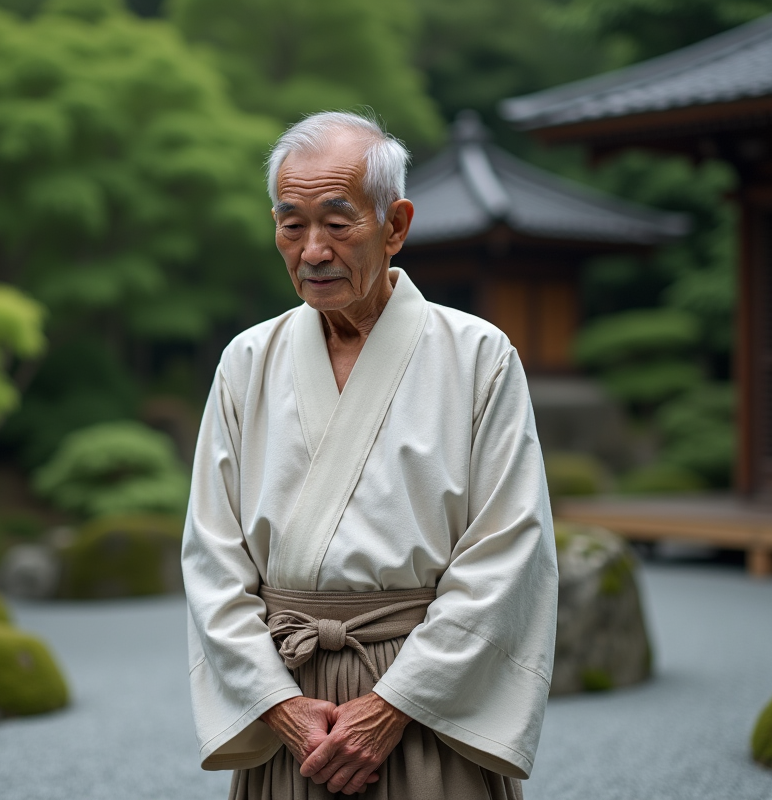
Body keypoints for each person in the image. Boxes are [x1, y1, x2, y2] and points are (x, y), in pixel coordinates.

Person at [182, 111, 558, 800]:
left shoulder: (478, 358)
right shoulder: (246, 362)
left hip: (422, 703)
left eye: (337, 222)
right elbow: (211, 557)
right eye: (291, 225)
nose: (313, 251)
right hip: (289, 700)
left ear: (396, 224)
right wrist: (276, 704)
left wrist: (393, 706)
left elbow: (508, 551)